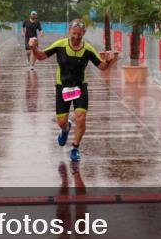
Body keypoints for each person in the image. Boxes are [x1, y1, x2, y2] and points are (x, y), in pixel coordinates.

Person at [30, 19, 117, 162]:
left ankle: (75, 147)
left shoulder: (88, 49)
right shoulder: (60, 45)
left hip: (80, 86)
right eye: (74, 33)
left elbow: (102, 67)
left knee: (81, 117)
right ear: (69, 31)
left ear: (84, 33)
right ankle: (65, 129)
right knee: (61, 121)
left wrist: (108, 61)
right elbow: (40, 56)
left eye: (79, 34)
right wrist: (33, 48)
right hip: (63, 86)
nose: (76, 37)